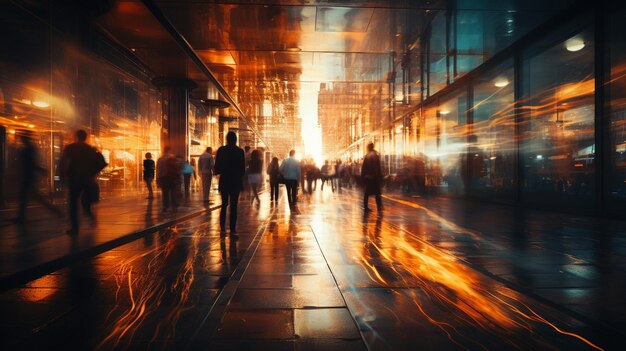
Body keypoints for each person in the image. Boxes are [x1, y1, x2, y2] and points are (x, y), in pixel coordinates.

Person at [60, 129, 103, 235]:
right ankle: (90, 216)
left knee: (73, 203)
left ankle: (75, 228)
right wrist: (93, 173)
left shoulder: (70, 148)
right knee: (85, 202)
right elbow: (99, 163)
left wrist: (61, 176)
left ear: (76, 136)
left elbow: (63, 162)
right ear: (85, 137)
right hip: (87, 179)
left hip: (74, 179)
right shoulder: (90, 149)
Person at [15, 131, 60, 223]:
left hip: (28, 176)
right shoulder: (29, 148)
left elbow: (30, 163)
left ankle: (21, 216)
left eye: (22, 138)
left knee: (26, 196)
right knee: (30, 197)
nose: (21, 139)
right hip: (28, 176)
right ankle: (55, 211)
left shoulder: (29, 149)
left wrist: (41, 170)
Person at [215, 131, 245, 234]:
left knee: (224, 204)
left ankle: (222, 227)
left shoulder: (221, 150)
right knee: (234, 205)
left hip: (224, 180)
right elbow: (242, 170)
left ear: (226, 139)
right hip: (235, 181)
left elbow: (217, 168)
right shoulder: (240, 151)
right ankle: (232, 229)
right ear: (235, 139)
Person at [156, 146, 181, 212]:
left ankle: (165, 206)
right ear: (169, 150)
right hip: (173, 177)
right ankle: (174, 206)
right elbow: (178, 168)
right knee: (173, 192)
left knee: (165, 193)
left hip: (164, 178)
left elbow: (158, 170)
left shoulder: (160, 159)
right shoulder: (173, 157)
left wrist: (158, 179)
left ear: (163, 150)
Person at [361, 142, 383, 213]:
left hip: (368, 177)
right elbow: (377, 167)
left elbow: (363, 168)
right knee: (377, 193)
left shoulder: (367, 156)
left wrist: (363, 177)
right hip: (374, 177)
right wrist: (379, 176)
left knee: (367, 192)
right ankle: (379, 207)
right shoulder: (375, 155)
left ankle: (365, 206)